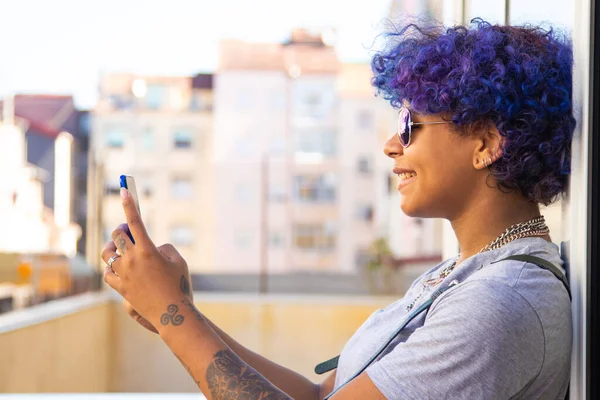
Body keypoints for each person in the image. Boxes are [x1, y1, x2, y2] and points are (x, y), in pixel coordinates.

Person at [101, 18, 574, 399]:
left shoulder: (497, 304)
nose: (391, 145)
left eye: (410, 124)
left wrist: (170, 314)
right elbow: (315, 394)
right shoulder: (465, 276)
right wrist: (181, 312)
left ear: (486, 143)